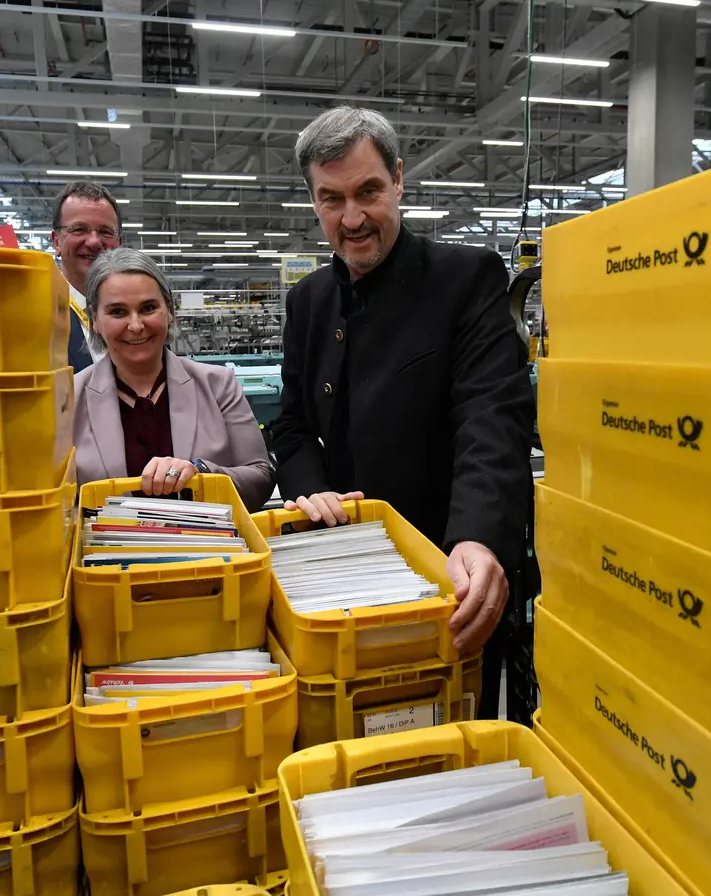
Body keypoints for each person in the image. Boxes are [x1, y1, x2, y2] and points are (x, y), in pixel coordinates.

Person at [272, 106, 535, 658]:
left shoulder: (465, 279)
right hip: (341, 575)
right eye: (331, 199)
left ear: (397, 180)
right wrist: (310, 491)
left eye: (368, 191)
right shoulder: (309, 302)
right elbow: (293, 424)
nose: (351, 219)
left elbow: (490, 415)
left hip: (447, 575)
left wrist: (478, 535)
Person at [73, 247, 275, 508]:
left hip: (210, 547)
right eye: (118, 312)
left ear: (168, 311)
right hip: (106, 549)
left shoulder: (218, 385)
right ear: (95, 321)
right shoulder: (68, 399)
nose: (135, 326)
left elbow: (261, 477)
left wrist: (201, 472)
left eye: (148, 308)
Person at [49, 180, 124, 373]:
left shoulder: (142, 312)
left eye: (105, 232)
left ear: (119, 243)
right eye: (79, 229)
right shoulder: (35, 317)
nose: (93, 242)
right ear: (56, 242)